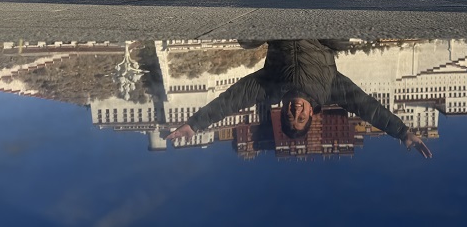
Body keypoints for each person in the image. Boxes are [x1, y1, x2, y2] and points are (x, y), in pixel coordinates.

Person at [166, 39, 432, 158]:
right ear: (311, 114)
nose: (296, 110)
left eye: (289, 115)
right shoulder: (330, 89)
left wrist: (194, 125)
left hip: (279, 11)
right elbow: (369, 109)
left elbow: (229, 101)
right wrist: (402, 132)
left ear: (281, 112)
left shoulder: (267, 86)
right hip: (319, 11)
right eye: (301, 116)